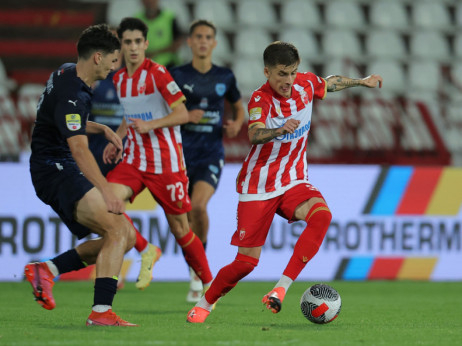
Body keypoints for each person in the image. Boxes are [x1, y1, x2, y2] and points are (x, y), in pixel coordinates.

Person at [186, 41, 383, 323]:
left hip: (293, 179)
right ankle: (204, 304)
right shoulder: (259, 99)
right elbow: (253, 134)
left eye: (292, 73)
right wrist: (279, 129)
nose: (288, 81)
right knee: (245, 263)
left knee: (322, 216)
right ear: (267, 72)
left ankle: (280, 289)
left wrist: (362, 82)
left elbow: (330, 83)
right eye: (281, 74)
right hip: (259, 186)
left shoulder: (304, 85)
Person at [25, 24, 138, 326]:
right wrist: (106, 190)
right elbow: (78, 148)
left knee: (125, 237)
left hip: (57, 166)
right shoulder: (74, 92)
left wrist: (100, 126)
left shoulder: (66, 72)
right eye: (114, 60)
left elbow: (64, 120)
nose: (116, 67)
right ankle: (101, 312)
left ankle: (47, 270)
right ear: (98, 58)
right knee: (116, 228)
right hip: (54, 168)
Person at [103, 17, 213, 292]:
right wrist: (118, 137)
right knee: (107, 203)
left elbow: (182, 113)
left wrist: (150, 125)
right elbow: (132, 116)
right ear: (121, 45)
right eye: (127, 42)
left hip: (166, 162)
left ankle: (209, 283)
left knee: (181, 231)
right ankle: (145, 248)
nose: (133, 47)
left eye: (138, 42)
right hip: (134, 159)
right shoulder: (119, 79)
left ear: (146, 44)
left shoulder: (158, 73)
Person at [170, 19, 245, 303]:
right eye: (198, 36)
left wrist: (237, 124)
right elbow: (164, 110)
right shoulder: (175, 75)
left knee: (198, 207)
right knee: (184, 217)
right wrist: (184, 116)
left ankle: (198, 275)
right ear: (190, 42)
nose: (203, 41)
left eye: (208, 37)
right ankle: (195, 270)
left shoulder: (225, 76)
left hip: (210, 153)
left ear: (214, 43)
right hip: (179, 155)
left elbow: (239, 109)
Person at [88, 43, 161, 291]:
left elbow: (135, 115)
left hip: (119, 149)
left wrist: (122, 140)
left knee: (108, 207)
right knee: (104, 211)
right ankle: (141, 250)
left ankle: (118, 267)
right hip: (94, 149)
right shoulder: (95, 82)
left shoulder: (128, 83)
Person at [134, 0, 183, 69]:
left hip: (169, 66)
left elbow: (177, 43)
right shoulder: (136, 19)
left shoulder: (170, 17)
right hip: (144, 67)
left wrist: (155, 53)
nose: (149, 2)